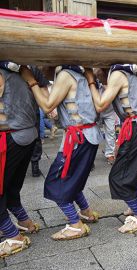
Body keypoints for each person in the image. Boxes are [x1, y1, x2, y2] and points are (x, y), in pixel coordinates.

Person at [20, 65, 102, 240]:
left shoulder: (65, 75)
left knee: (55, 182)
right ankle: (86, 212)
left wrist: (31, 80)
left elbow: (48, 106)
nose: (40, 69)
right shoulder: (76, 74)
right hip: (86, 136)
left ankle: (75, 224)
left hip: (78, 139)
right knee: (72, 178)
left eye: (41, 65)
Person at [86, 64, 137, 233]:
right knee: (129, 173)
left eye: (96, 70)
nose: (96, 74)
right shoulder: (126, 74)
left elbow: (100, 105)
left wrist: (90, 82)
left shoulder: (117, 74)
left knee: (118, 177)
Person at [0, 62, 40, 257]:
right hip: (28, 135)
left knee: (1, 187)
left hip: (12, 136)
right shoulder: (18, 72)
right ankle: (25, 223)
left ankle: (13, 236)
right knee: (11, 186)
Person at [29, 66, 51, 177]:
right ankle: (34, 165)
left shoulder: (32, 68)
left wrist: (49, 106)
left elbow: (43, 87)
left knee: (36, 137)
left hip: (32, 108)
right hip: (29, 109)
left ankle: (35, 165)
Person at [94, 68, 116, 165]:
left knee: (111, 132)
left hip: (109, 110)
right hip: (94, 110)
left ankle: (110, 154)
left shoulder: (113, 79)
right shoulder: (93, 80)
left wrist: (105, 84)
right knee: (93, 133)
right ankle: (89, 156)